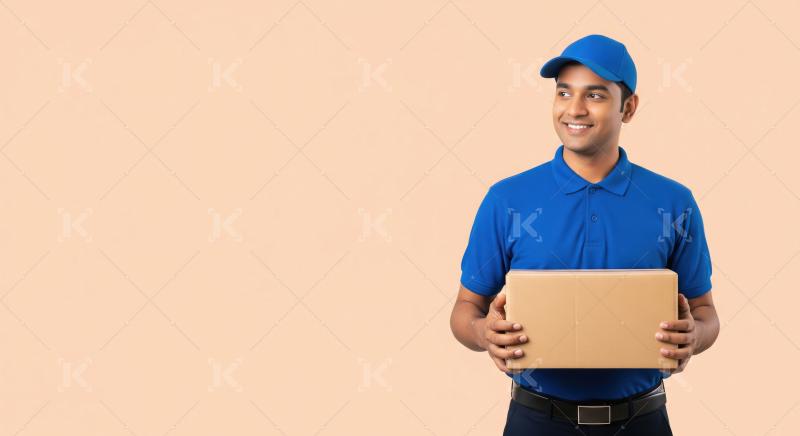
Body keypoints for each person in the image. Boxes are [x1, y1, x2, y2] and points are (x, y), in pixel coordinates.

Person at [449, 34, 720, 435]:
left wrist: (694, 336)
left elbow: (706, 314)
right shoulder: (507, 200)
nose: (574, 109)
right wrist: (482, 332)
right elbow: (464, 310)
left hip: (641, 422)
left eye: (595, 95)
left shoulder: (673, 202)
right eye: (563, 93)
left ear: (628, 107)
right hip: (536, 421)